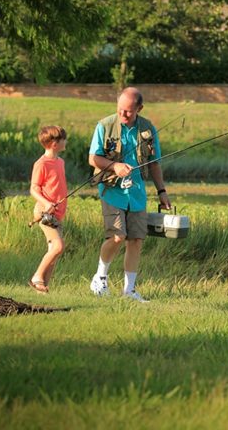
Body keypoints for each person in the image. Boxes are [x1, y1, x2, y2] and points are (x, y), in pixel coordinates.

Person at [88, 87, 170, 302]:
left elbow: (155, 164)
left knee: (135, 240)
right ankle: (100, 278)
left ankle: (129, 291)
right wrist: (115, 166)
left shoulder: (148, 129)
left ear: (139, 109)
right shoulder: (104, 126)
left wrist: (162, 192)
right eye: (120, 110)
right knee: (117, 236)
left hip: (137, 194)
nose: (123, 115)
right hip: (112, 190)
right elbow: (93, 159)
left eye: (128, 112)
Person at [28, 125, 68, 293]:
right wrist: (46, 203)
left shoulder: (60, 162)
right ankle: (36, 277)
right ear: (54, 143)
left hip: (57, 214)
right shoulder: (41, 164)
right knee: (58, 247)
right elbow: (33, 189)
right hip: (44, 213)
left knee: (54, 251)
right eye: (63, 139)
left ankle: (42, 287)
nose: (66, 142)